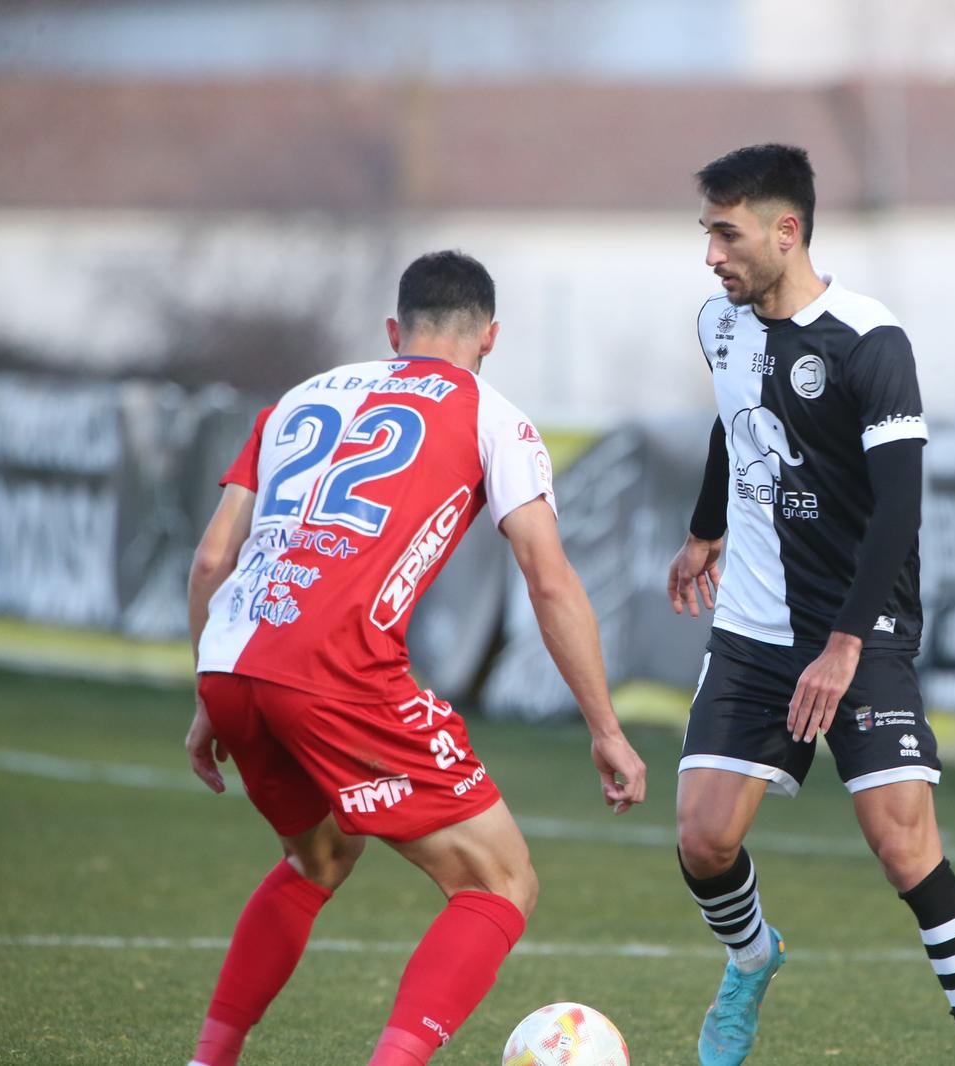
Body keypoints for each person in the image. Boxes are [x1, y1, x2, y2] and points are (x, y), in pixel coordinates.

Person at [182, 251, 647, 1066]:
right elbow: (550, 581)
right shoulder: (489, 414)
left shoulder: (300, 398)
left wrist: (207, 695)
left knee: (317, 854)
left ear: (395, 333)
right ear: (490, 338)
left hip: (233, 660)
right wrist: (606, 727)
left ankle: (209, 1058)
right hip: (337, 670)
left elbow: (214, 558)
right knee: (501, 883)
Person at [667, 145, 955, 1066]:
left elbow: (902, 506)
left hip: (864, 631)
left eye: (726, 234)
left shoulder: (869, 341)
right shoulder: (722, 323)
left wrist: (845, 644)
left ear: (788, 232)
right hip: (751, 628)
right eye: (707, 232)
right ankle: (751, 959)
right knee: (703, 840)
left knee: (903, 847)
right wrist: (706, 528)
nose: (712, 255)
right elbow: (734, 415)